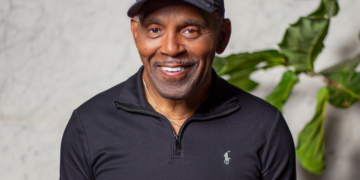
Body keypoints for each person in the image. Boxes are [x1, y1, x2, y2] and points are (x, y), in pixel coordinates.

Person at [60, 0, 296, 179]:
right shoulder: (88, 126)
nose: (171, 49)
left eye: (190, 30)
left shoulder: (265, 127)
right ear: (135, 32)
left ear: (222, 36)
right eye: (154, 30)